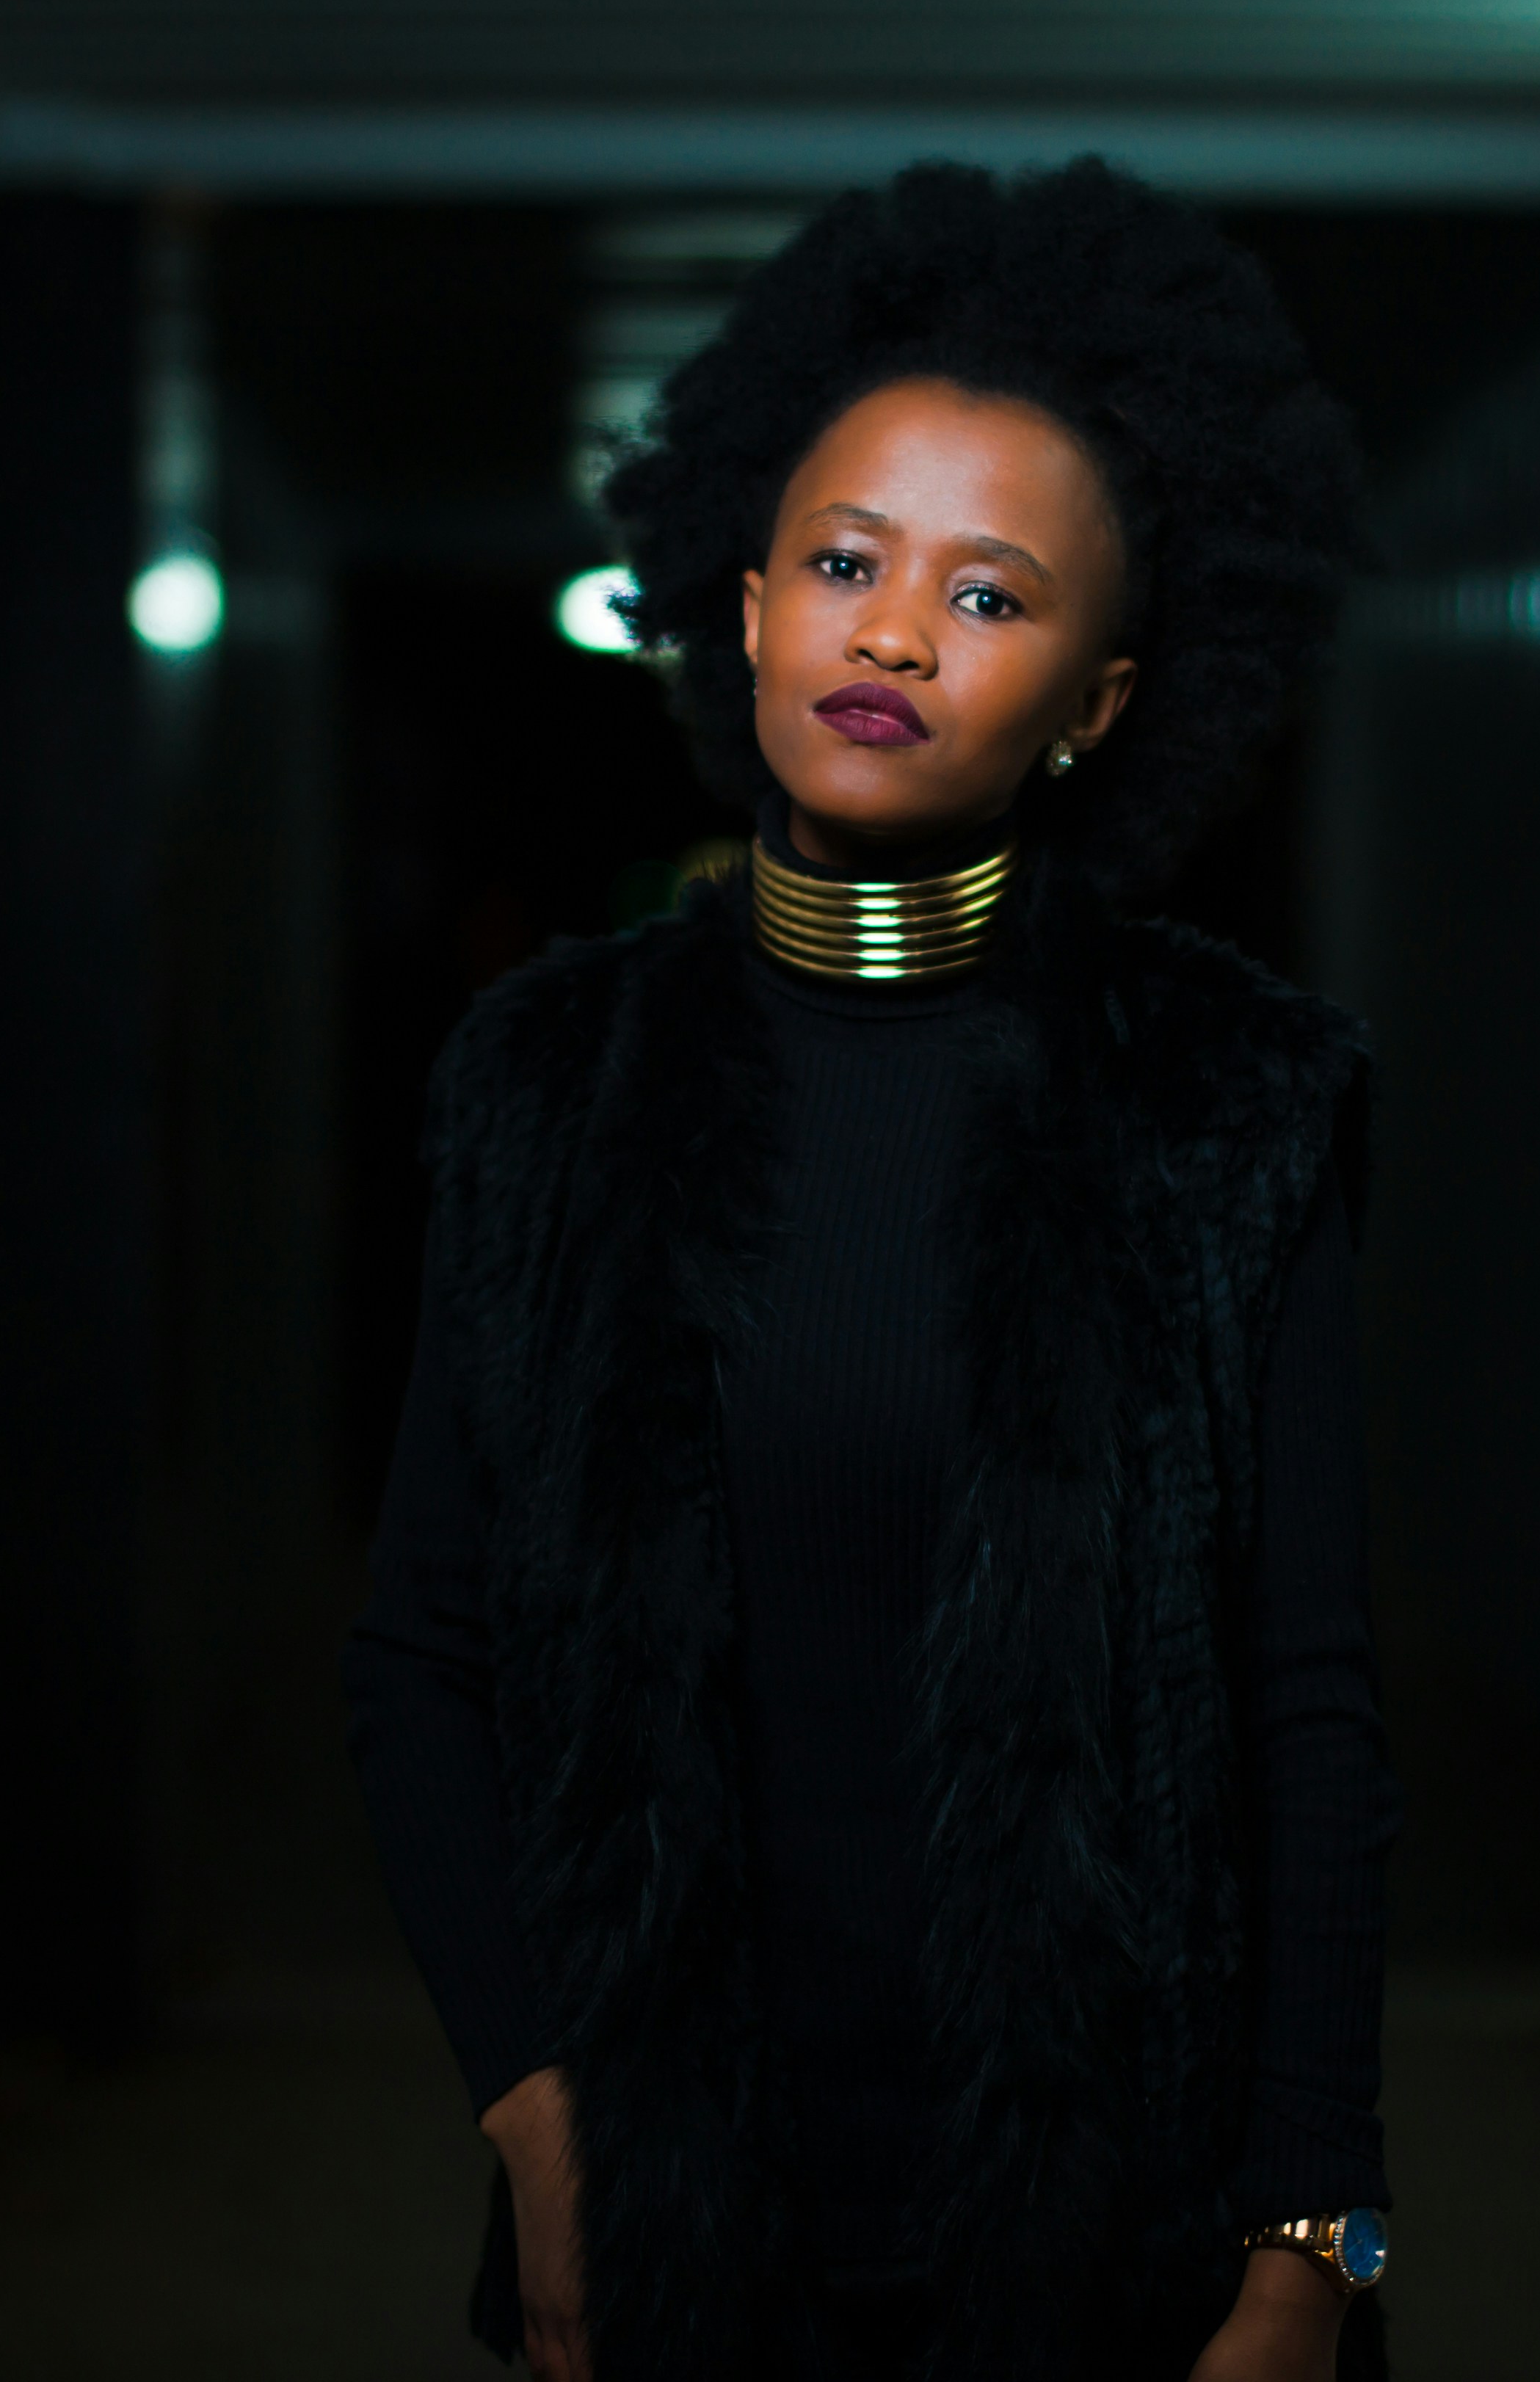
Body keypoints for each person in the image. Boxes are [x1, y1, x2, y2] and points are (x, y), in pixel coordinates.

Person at [346, 161, 1396, 2382]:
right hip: (665, 2237)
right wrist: (545, 2131)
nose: (894, 632)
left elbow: (1311, 1713)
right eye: (843, 563)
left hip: (1139, 2244)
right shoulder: (545, 1091)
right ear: (744, 609)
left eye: (988, 597)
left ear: (1103, 701)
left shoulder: (1233, 1111)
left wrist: (1317, 2248)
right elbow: (420, 1656)